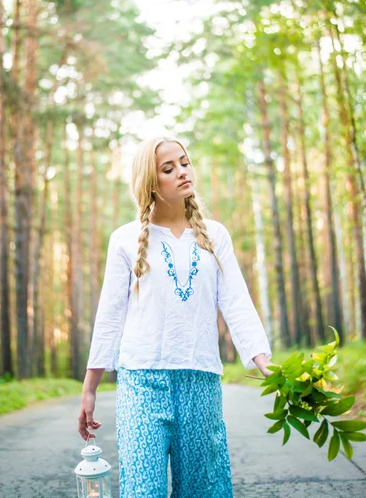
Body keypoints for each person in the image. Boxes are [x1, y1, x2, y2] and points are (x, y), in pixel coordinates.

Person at [78, 135, 274, 497]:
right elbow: (109, 316)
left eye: (184, 162)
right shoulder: (124, 240)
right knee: (142, 490)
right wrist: (89, 389)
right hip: (141, 382)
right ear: (151, 182)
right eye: (168, 168)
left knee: (204, 489)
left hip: (200, 380)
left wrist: (265, 365)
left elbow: (237, 304)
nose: (183, 172)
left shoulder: (215, 235)